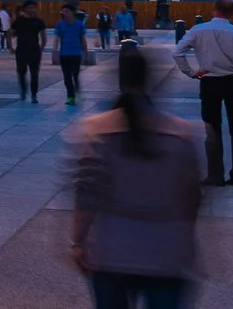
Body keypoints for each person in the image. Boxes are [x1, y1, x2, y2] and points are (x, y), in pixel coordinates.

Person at [71, 42, 203, 306]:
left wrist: (78, 242)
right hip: (167, 253)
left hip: (112, 250)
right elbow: (192, 199)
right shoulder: (181, 133)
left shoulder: (95, 130)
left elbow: (87, 196)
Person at [170, 0, 233, 185]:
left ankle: (215, 175)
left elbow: (177, 52)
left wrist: (191, 73)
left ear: (213, 9)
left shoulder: (199, 30)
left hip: (209, 81)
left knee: (212, 129)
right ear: (232, 13)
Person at [15, 0, 49, 102]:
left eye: (34, 8)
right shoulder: (19, 21)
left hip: (34, 50)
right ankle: (23, 91)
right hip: (21, 50)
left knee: (34, 73)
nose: (32, 10)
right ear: (25, 9)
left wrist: (42, 47)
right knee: (21, 72)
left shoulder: (39, 21)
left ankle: (34, 94)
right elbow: (10, 33)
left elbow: (43, 35)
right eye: (30, 7)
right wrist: (10, 47)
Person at [58, 3, 90, 103]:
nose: (64, 13)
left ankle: (77, 92)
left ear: (72, 12)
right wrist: (55, 50)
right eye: (63, 11)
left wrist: (86, 54)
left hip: (76, 54)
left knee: (75, 75)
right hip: (64, 54)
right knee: (67, 77)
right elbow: (56, 38)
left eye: (67, 11)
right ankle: (70, 97)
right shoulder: (60, 24)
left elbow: (83, 40)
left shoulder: (79, 24)